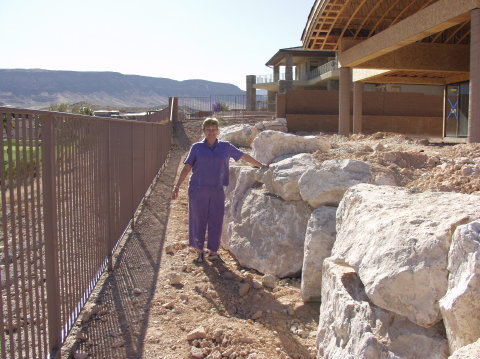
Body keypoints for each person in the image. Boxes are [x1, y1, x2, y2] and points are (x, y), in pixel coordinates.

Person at [172, 118, 268, 263]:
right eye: (208, 130)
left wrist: (261, 165)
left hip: (217, 190)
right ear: (204, 131)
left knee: (215, 220)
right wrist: (177, 186)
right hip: (198, 191)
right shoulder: (196, 148)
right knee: (198, 221)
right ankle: (199, 251)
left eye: (213, 129)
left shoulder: (225, 147)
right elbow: (187, 168)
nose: (211, 132)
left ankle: (213, 251)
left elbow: (243, 156)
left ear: (218, 131)